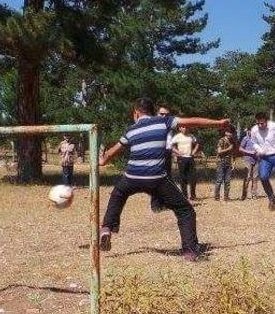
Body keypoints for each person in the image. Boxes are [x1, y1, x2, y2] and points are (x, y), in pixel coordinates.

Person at [97, 97, 228, 260]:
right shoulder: (163, 121)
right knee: (185, 210)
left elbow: (113, 152)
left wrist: (102, 161)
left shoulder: (131, 129)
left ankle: (106, 228)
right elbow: (191, 122)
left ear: (136, 113)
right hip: (156, 178)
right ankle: (190, 250)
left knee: (117, 195)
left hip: (131, 177)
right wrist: (218, 123)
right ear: (151, 111)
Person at [171, 126, 199, 200]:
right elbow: (172, 146)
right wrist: (178, 152)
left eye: (186, 127)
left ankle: (193, 195)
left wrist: (194, 152)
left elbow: (197, 144)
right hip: (181, 158)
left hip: (190, 158)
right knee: (183, 178)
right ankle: (184, 196)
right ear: (180, 128)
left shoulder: (191, 136)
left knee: (193, 177)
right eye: (183, 127)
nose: (185, 128)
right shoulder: (177, 137)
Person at [213, 126, 235, 201]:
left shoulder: (232, 141)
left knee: (227, 181)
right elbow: (219, 151)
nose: (230, 134)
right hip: (221, 162)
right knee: (219, 180)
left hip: (228, 162)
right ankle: (217, 197)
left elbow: (232, 153)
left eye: (231, 132)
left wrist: (233, 162)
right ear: (225, 133)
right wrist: (228, 149)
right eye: (228, 132)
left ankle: (226, 197)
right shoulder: (221, 140)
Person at [239, 128, 259, 200]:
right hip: (248, 160)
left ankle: (254, 195)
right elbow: (240, 148)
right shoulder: (245, 139)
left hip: (256, 160)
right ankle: (244, 195)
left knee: (255, 178)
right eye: (250, 130)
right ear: (248, 131)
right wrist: (249, 152)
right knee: (247, 178)